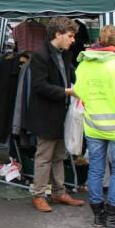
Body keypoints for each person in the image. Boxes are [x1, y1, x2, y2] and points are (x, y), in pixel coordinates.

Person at [74, 25, 115, 228]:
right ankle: (113, 218)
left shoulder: (83, 65)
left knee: (96, 169)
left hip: (93, 125)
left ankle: (98, 215)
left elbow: (78, 92)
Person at [26, 17, 85, 212]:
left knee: (60, 155)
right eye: (70, 36)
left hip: (61, 112)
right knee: (44, 156)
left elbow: (68, 77)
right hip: (45, 114)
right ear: (57, 34)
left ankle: (59, 192)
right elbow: (39, 86)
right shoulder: (40, 55)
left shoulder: (65, 53)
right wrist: (67, 91)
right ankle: (39, 195)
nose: (73, 40)